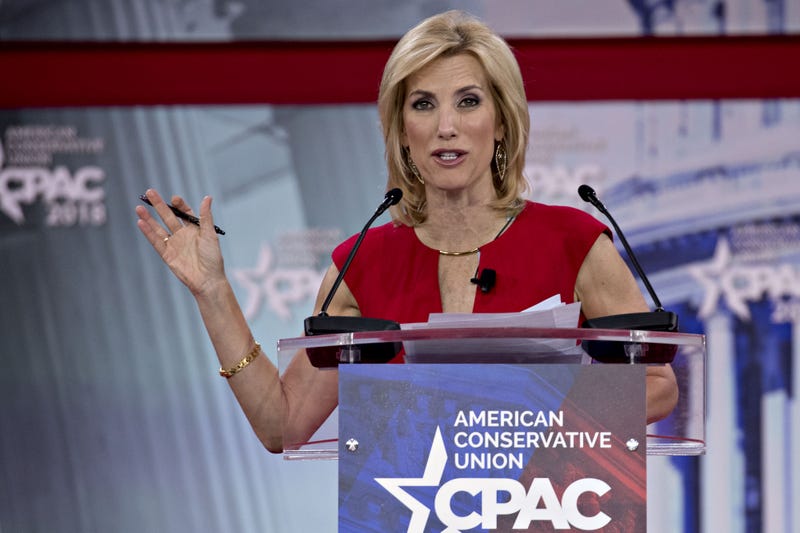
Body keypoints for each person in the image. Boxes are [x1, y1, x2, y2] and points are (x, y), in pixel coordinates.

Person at [135, 10, 678, 454]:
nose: (447, 125)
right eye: (424, 104)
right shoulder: (361, 264)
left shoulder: (574, 242)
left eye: (468, 101)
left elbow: (658, 385)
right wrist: (213, 293)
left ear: (502, 122)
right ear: (403, 132)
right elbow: (283, 424)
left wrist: (521, 408)